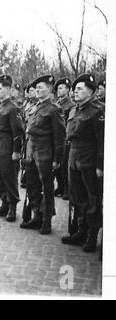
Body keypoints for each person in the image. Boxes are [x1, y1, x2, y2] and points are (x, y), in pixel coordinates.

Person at [61, 73, 104, 252]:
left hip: (89, 159)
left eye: (79, 89)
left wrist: (100, 166)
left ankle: (92, 236)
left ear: (91, 91)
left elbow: (102, 141)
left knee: (92, 198)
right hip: (74, 156)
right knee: (77, 197)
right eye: (75, 89)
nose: (75, 92)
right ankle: (81, 230)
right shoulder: (74, 109)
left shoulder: (98, 110)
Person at [20, 75, 65, 234]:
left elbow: (59, 137)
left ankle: (46, 220)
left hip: (45, 152)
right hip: (32, 150)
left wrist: (57, 159)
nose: (37, 90)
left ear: (50, 89)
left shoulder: (54, 109)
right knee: (32, 185)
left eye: (41, 88)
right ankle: (36, 215)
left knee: (47, 187)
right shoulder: (35, 106)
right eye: (36, 88)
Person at [0, 75, 24, 222]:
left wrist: (16, 151)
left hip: (7, 143)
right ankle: (4, 203)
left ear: (8, 89)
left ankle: (12, 207)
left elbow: (18, 131)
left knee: (9, 175)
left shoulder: (12, 108)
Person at [54, 78, 75, 200]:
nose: (58, 90)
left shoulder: (71, 105)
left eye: (61, 88)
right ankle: (60, 186)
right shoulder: (57, 104)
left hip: (65, 139)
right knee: (57, 164)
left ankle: (67, 189)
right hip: (57, 138)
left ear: (68, 90)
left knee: (65, 165)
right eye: (57, 88)